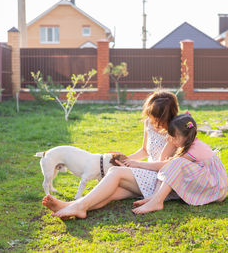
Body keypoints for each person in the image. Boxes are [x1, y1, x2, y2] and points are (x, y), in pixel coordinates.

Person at [42, 90, 179, 218]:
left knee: (115, 172)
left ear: (168, 117)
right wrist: (125, 160)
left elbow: (163, 167)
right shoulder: (149, 123)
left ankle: (78, 206)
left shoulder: (175, 133)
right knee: (112, 192)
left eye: (158, 120)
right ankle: (70, 206)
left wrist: (135, 164)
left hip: (159, 181)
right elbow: (144, 150)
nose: (154, 123)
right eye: (152, 117)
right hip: (146, 174)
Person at [127, 113, 228, 214]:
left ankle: (157, 201)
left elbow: (165, 165)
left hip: (215, 189)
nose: (170, 140)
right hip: (207, 181)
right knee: (171, 165)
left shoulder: (196, 148)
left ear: (184, 136)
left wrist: (138, 164)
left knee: (175, 163)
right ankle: (154, 197)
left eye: (173, 137)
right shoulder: (189, 144)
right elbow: (166, 166)